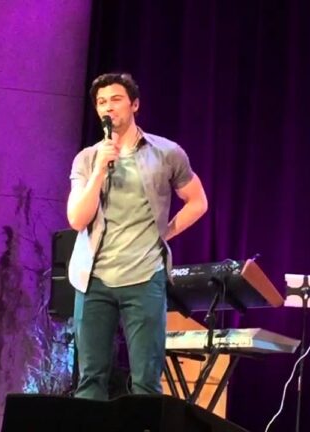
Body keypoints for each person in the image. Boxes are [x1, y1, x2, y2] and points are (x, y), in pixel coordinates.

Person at [67, 72, 208, 399]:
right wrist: (100, 171)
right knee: (90, 382)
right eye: (101, 102)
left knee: (145, 382)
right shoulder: (88, 159)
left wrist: (163, 234)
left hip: (144, 278)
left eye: (115, 100)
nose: (108, 108)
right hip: (94, 279)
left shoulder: (166, 153)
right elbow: (77, 219)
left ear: (134, 104)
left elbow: (197, 201)